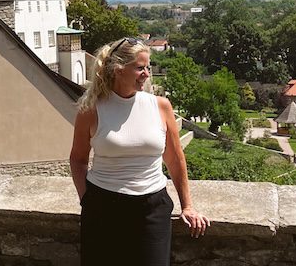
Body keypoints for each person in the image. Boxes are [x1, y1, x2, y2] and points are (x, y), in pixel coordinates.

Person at [69, 37, 208, 265]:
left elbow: (175, 160)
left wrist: (188, 206)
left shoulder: (161, 107)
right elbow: (78, 159)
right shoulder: (92, 110)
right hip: (103, 206)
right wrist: (87, 200)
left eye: (148, 68)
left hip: (152, 208)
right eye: (140, 68)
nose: (146, 74)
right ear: (118, 69)